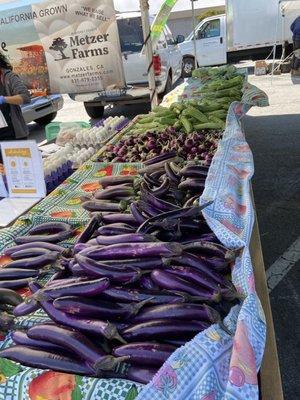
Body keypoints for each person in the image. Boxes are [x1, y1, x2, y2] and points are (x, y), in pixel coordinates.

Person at [0, 52, 31, 141]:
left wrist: (4, 99)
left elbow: (25, 97)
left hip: (12, 133)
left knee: (17, 155)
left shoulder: (9, 77)